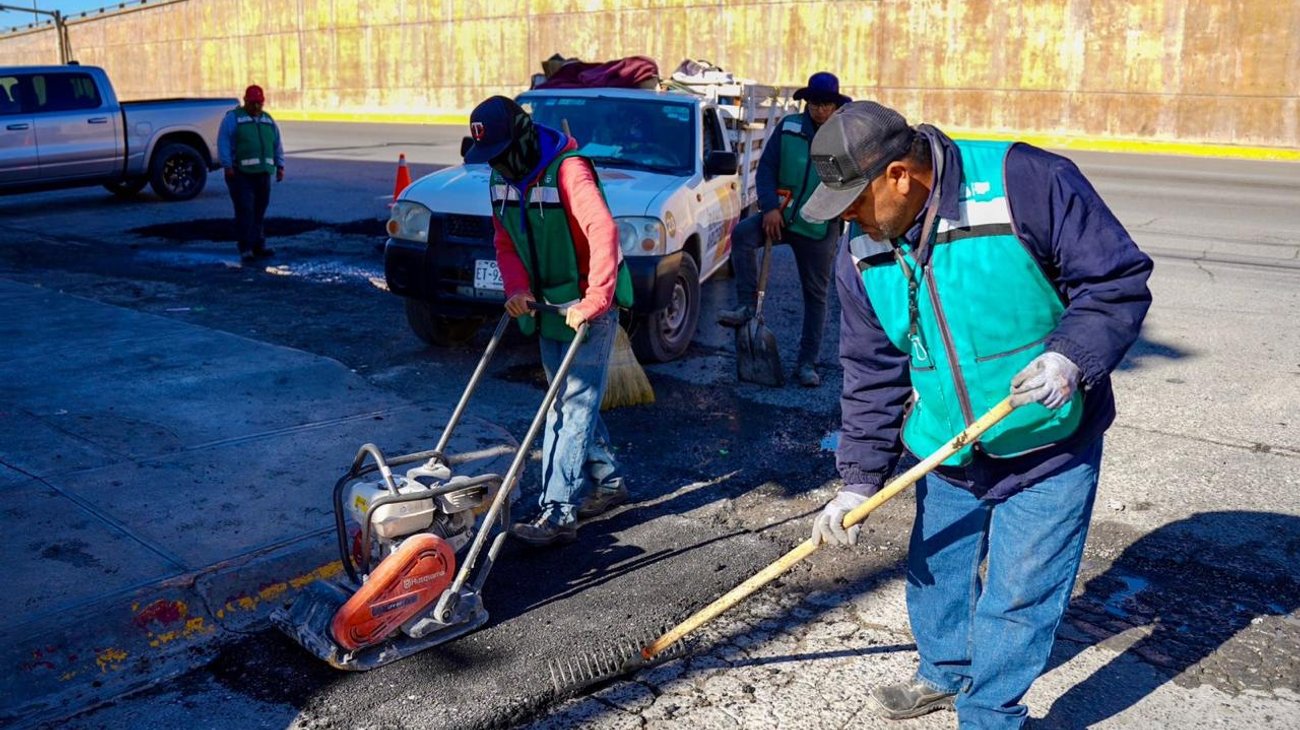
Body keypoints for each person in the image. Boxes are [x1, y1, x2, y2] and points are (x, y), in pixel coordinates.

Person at [802, 102, 1153, 727]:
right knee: (937, 572)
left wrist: (1070, 357)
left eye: (855, 202)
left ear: (901, 178)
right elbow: (871, 371)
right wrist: (856, 478)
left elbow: (1114, 281)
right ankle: (945, 672)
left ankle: (989, 712)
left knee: (1020, 591)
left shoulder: (1024, 183)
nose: (849, 221)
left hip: (1048, 441)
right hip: (946, 444)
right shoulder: (862, 251)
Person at [463, 95, 634, 547]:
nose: (494, 162)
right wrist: (516, 289)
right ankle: (611, 482)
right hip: (546, 304)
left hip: (587, 301)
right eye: (488, 155)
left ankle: (558, 511)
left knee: (571, 406)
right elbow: (504, 239)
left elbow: (604, 230)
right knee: (569, 397)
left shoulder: (568, 169)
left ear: (519, 137)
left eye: (500, 151)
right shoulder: (501, 177)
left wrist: (597, 298)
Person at [717, 71, 851, 387]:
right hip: (781, 219)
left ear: (835, 105)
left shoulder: (842, 138)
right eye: (815, 103)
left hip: (819, 228)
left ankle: (807, 364)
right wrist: (769, 208)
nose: (820, 110)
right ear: (806, 102)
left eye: (826, 104)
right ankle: (748, 306)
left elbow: (849, 183)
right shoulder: (789, 128)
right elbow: (766, 170)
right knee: (741, 236)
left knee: (816, 297)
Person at [217, 85, 284, 263]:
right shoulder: (233, 119)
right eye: (253, 103)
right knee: (245, 210)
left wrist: (280, 166)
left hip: (263, 174)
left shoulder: (268, 120)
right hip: (240, 174)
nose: (256, 107)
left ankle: (258, 245)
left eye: (259, 104)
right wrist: (227, 165)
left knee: (259, 210)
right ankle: (245, 247)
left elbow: (276, 144)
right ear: (245, 101)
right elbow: (223, 142)